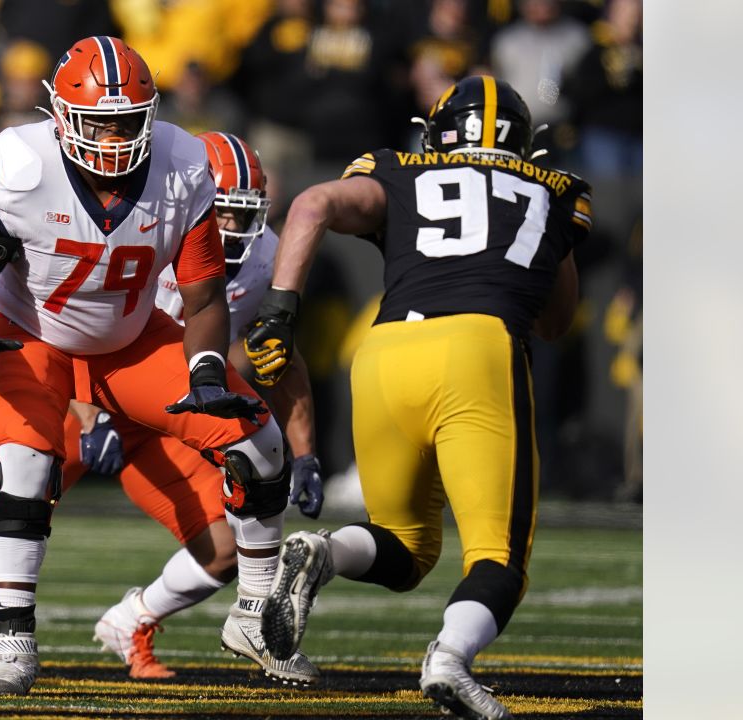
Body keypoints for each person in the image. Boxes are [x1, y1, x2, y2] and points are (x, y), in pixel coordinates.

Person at [0, 131, 325, 684]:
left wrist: (304, 451)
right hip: (79, 392)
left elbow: (278, 355)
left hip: (158, 399)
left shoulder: (262, 254)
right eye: (221, 214)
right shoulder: (146, 218)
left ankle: (136, 620)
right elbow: (76, 325)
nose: (232, 231)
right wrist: (88, 414)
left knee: (223, 547)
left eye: (244, 217)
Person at [0, 37, 295, 696]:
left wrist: (206, 369)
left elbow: (205, 296)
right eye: (100, 121)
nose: (116, 136)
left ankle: (255, 612)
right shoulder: (21, 165)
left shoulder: (182, 165)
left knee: (261, 442)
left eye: (129, 120)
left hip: (130, 338)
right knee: (27, 467)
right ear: (61, 116)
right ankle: (11, 640)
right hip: (26, 331)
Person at [245, 75, 591, 720]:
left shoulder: (397, 168)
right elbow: (555, 322)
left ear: (437, 134)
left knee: (406, 550)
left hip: (382, 353)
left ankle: (322, 552)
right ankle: (450, 660)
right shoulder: (555, 189)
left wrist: (279, 311)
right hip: (479, 350)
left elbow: (313, 203)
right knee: (498, 557)